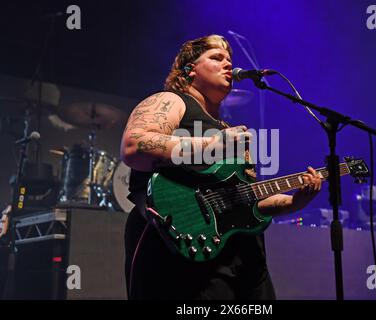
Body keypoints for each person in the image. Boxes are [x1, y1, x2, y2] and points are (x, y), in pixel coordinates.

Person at [120, 34, 322, 300]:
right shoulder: (170, 101)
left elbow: (247, 199)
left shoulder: (231, 132)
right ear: (189, 69)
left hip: (243, 257)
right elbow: (134, 146)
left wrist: (295, 201)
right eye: (217, 58)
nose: (228, 65)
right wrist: (211, 145)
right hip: (181, 243)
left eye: (230, 59)